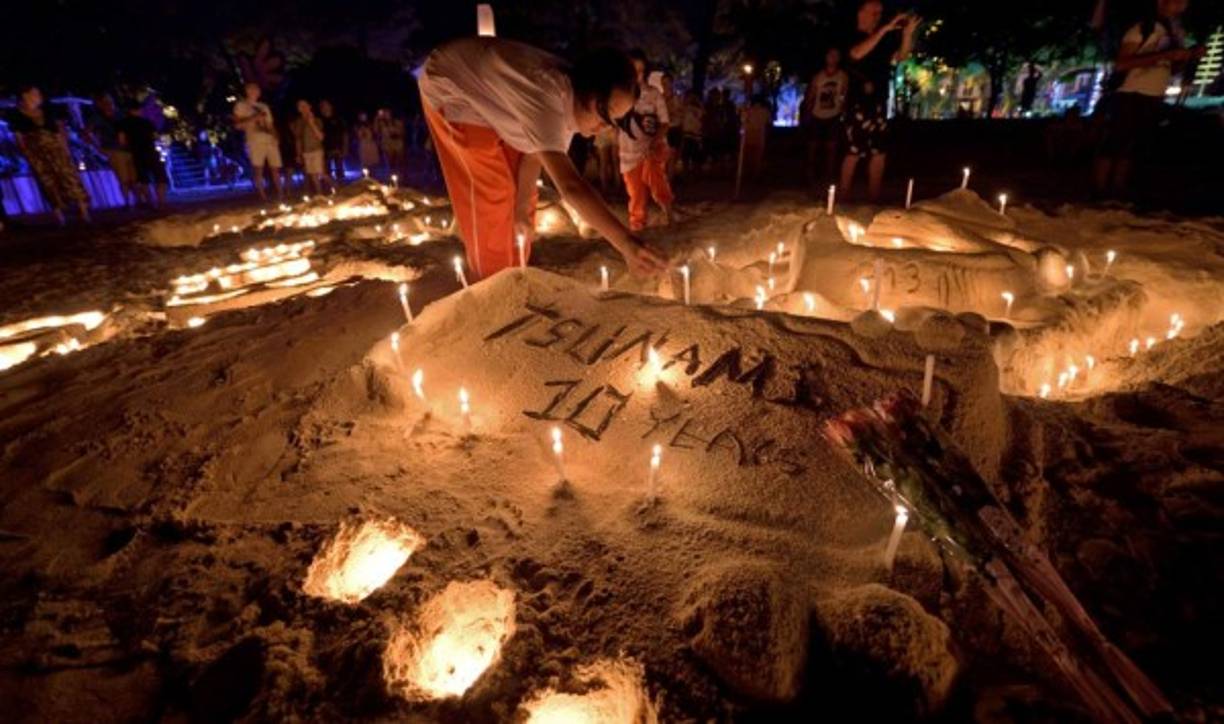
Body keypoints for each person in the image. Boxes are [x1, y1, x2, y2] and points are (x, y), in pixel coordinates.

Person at [418, 37, 668, 279]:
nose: (607, 126)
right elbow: (571, 187)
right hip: (452, 86)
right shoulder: (547, 98)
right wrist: (626, 244)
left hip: (492, 99)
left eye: (616, 120)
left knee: (520, 196)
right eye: (606, 114)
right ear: (589, 92)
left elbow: (533, 155)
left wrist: (521, 210)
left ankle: (516, 271)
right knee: (494, 194)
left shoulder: (569, 103)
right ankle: (491, 284)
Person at [1093, 0, 1201, 197]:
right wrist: (1164, 55)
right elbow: (1122, 63)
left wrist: (1186, 58)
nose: (1182, 6)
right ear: (1161, 3)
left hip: (1154, 93)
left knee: (1132, 145)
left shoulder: (1175, 33)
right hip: (1130, 91)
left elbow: (1172, 69)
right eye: (1177, 1)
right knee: (1115, 142)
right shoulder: (1142, 28)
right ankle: (1101, 190)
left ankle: (1117, 189)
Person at [840, 1, 921, 202]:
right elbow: (857, 53)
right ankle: (842, 196)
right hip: (857, 103)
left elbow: (901, 57)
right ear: (861, 12)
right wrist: (884, 29)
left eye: (880, 13)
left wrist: (907, 34)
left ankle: (873, 197)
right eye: (874, 12)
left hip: (878, 102)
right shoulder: (851, 35)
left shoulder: (882, 40)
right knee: (854, 150)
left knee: (879, 151)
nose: (878, 16)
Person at [7, 85, 90, 224]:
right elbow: (18, 137)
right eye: (35, 93)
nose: (38, 96)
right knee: (47, 182)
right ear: (25, 95)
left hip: (56, 150)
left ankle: (83, 210)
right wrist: (27, 154)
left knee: (68, 176)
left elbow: (59, 130)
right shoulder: (16, 115)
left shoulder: (48, 109)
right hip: (37, 154)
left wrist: (65, 148)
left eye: (39, 93)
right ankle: (59, 215)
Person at [619, 50, 674, 232]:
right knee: (636, 193)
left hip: (651, 147)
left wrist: (655, 140)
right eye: (633, 70)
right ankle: (637, 226)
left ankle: (668, 212)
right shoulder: (619, 93)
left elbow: (665, 122)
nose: (637, 75)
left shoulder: (653, 94)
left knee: (655, 177)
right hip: (628, 149)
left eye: (641, 70)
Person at [802, 47, 849, 185]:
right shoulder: (818, 76)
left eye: (836, 55)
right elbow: (811, 95)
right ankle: (810, 175)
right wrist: (807, 113)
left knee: (832, 147)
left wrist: (843, 110)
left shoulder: (843, 76)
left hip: (834, 115)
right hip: (817, 115)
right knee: (813, 146)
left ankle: (829, 175)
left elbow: (844, 95)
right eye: (830, 55)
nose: (832, 58)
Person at [232, 82, 283, 200]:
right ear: (247, 91)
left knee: (275, 167)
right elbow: (237, 124)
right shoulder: (241, 106)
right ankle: (262, 196)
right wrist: (253, 118)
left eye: (257, 89)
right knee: (258, 168)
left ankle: (281, 193)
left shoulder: (264, 106)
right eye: (252, 89)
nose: (255, 91)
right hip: (255, 140)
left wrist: (276, 136)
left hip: (269, 139)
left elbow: (270, 124)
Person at [88, 94, 138, 206]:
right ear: (100, 104)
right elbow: (87, 132)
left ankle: (138, 201)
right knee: (124, 179)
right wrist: (97, 147)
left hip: (129, 149)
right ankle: (128, 202)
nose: (108, 104)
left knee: (134, 178)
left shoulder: (120, 114)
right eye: (105, 102)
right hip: (114, 149)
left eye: (110, 101)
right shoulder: (98, 118)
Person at [118, 100, 169, 208]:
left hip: (136, 153)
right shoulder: (147, 122)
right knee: (160, 177)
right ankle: (161, 201)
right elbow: (155, 137)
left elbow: (121, 140)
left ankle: (149, 201)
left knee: (143, 179)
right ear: (139, 110)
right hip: (150, 151)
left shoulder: (123, 123)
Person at [291, 100, 329, 195]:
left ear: (310, 106)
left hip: (317, 150)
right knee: (313, 175)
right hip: (306, 152)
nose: (303, 108)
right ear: (298, 109)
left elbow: (321, 137)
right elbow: (298, 139)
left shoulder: (317, 120)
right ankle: (320, 194)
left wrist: (311, 123)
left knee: (322, 173)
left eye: (305, 105)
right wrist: (298, 154)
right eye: (300, 106)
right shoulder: (298, 122)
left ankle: (337, 188)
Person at [740, 94, 772, 181]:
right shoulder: (764, 111)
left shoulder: (749, 110)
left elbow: (743, 121)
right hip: (758, 135)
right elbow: (769, 123)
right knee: (756, 158)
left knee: (748, 156)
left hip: (749, 135)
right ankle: (754, 175)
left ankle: (748, 175)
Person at [318, 99, 348, 183]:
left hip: (338, 148)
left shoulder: (338, 118)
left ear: (330, 107)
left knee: (339, 169)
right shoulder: (320, 120)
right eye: (322, 107)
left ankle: (341, 186)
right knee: (327, 170)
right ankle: (331, 188)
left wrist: (345, 148)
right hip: (325, 149)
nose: (324, 108)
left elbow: (345, 134)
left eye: (326, 105)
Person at [679, 90, 704, 174]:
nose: (689, 98)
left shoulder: (697, 108)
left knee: (694, 157)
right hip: (687, 135)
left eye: (691, 97)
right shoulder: (684, 108)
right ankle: (686, 173)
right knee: (685, 156)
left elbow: (701, 117)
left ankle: (693, 174)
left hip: (695, 136)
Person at [375, 108, 406, 177]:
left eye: (388, 113)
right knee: (390, 162)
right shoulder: (381, 123)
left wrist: (397, 134)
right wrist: (377, 118)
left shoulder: (397, 122)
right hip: (387, 144)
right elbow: (376, 131)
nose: (386, 115)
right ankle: (392, 176)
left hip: (398, 143)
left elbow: (403, 132)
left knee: (400, 161)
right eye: (385, 114)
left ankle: (402, 175)